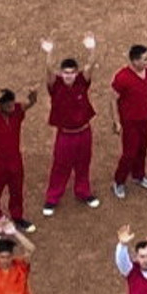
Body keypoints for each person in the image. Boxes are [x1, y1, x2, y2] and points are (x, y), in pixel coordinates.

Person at [39, 36, 101, 215]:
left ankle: (84, 192)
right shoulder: (55, 85)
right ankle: (52, 198)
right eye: (65, 73)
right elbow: (49, 70)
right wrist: (49, 53)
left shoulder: (82, 81)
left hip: (83, 132)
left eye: (71, 73)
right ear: (61, 73)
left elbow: (90, 65)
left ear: (76, 73)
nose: (68, 76)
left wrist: (92, 49)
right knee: (60, 166)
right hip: (65, 135)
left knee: (84, 164)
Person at [108, 44, 147, 198]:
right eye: (145, 59)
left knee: (142, 148)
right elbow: (112, 99)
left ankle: (138, 175)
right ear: (134, 61)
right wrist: (116, 122)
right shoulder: (122, 77)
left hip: (145, 118)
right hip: (130, 122)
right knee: (129, 153)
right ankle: (119, 181)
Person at [0, 86, 36, 232]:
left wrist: (32, 97)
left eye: (12, 103)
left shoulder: (17, 110)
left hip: (15, 159)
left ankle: (17, 217)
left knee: (17, 189)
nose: (12, 107)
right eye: (8, 105)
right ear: (0, 106)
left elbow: (30, 103)